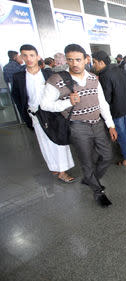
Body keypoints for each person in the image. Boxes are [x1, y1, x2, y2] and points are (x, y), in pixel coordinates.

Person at [41, 44, 117, 207]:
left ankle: (90, 179)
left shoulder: (93, 78)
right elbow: (45, 105)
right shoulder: (57, 80)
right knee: (87, 161)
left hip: (97, 124)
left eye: (78, 59)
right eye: (70, 60)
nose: (74, 63)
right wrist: (68, 102)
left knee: (107, 156)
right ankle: (98, 192)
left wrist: (110, 125)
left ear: (86, 60)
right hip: (77, 126)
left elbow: (102, 103)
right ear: (66, 60)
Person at [11, 44, 75, 183]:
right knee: (44, 142)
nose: (29, 59)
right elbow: (16, 96)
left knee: (58, 141)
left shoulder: (48, 74)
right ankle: (55, 167)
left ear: (38, 57)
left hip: (52, 113)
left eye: (32, 55)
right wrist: (26, 116)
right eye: (25, 56)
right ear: (21, 57)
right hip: (35, 115)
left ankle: (63, 170)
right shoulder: (19, 77)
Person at [92, 50, 126, 166]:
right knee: (125, 131)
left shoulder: (105, 76)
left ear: (101, 62)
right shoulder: (120, 69)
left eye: (94, 62)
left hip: (117, 110)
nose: (93, 65)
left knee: (121, 133)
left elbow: (106, 99)